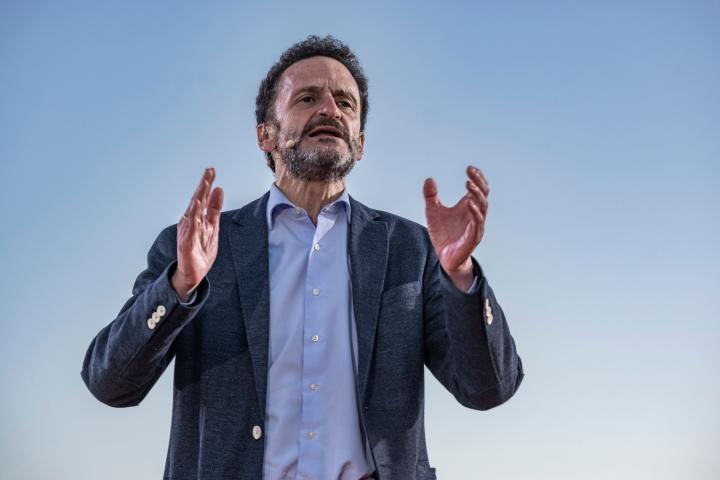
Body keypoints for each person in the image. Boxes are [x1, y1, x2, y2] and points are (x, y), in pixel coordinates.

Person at [81, 35, 524, 480]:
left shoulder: (411, 249)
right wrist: (179, 286)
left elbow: (489, 388)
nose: (330, 109)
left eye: (345, 103)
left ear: (360, 143)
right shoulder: (198, 247)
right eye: (308, 98)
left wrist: (460, 275)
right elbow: (110, 383)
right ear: (266, 135)